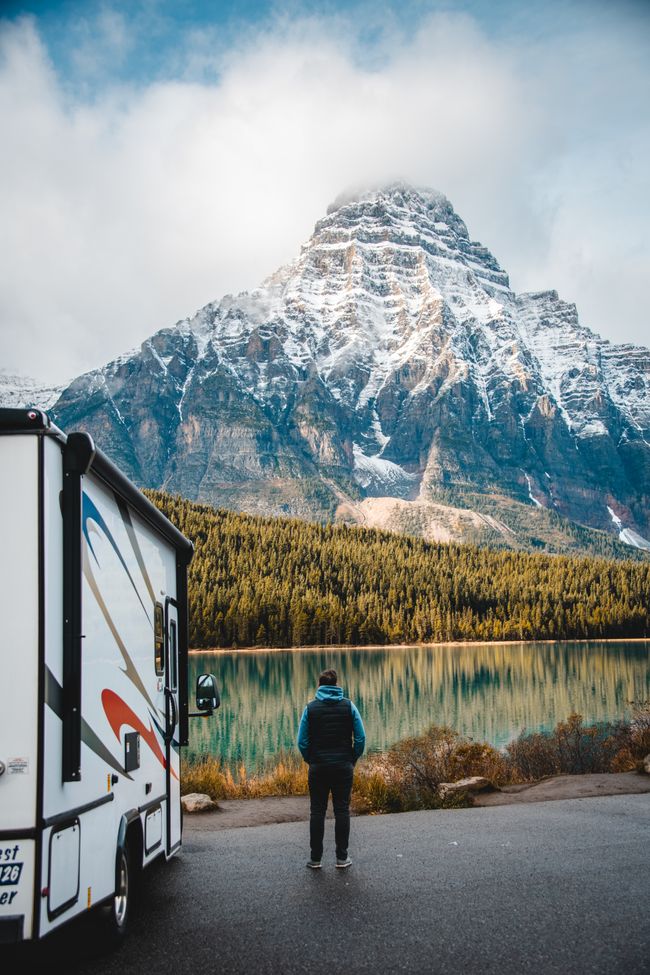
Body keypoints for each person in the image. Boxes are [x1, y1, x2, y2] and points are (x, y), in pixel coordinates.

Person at [297, 668, 366, 869]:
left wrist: (310, 759)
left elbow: (302, 741)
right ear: (336, 685)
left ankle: (315, 859)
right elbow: (361, 738)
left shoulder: (310, 709)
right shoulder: (349, 706)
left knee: (317, 812)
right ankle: (342, 858)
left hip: (318, 767)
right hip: (343, 766)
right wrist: (352, 758)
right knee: (342, 810)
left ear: (320, 686)